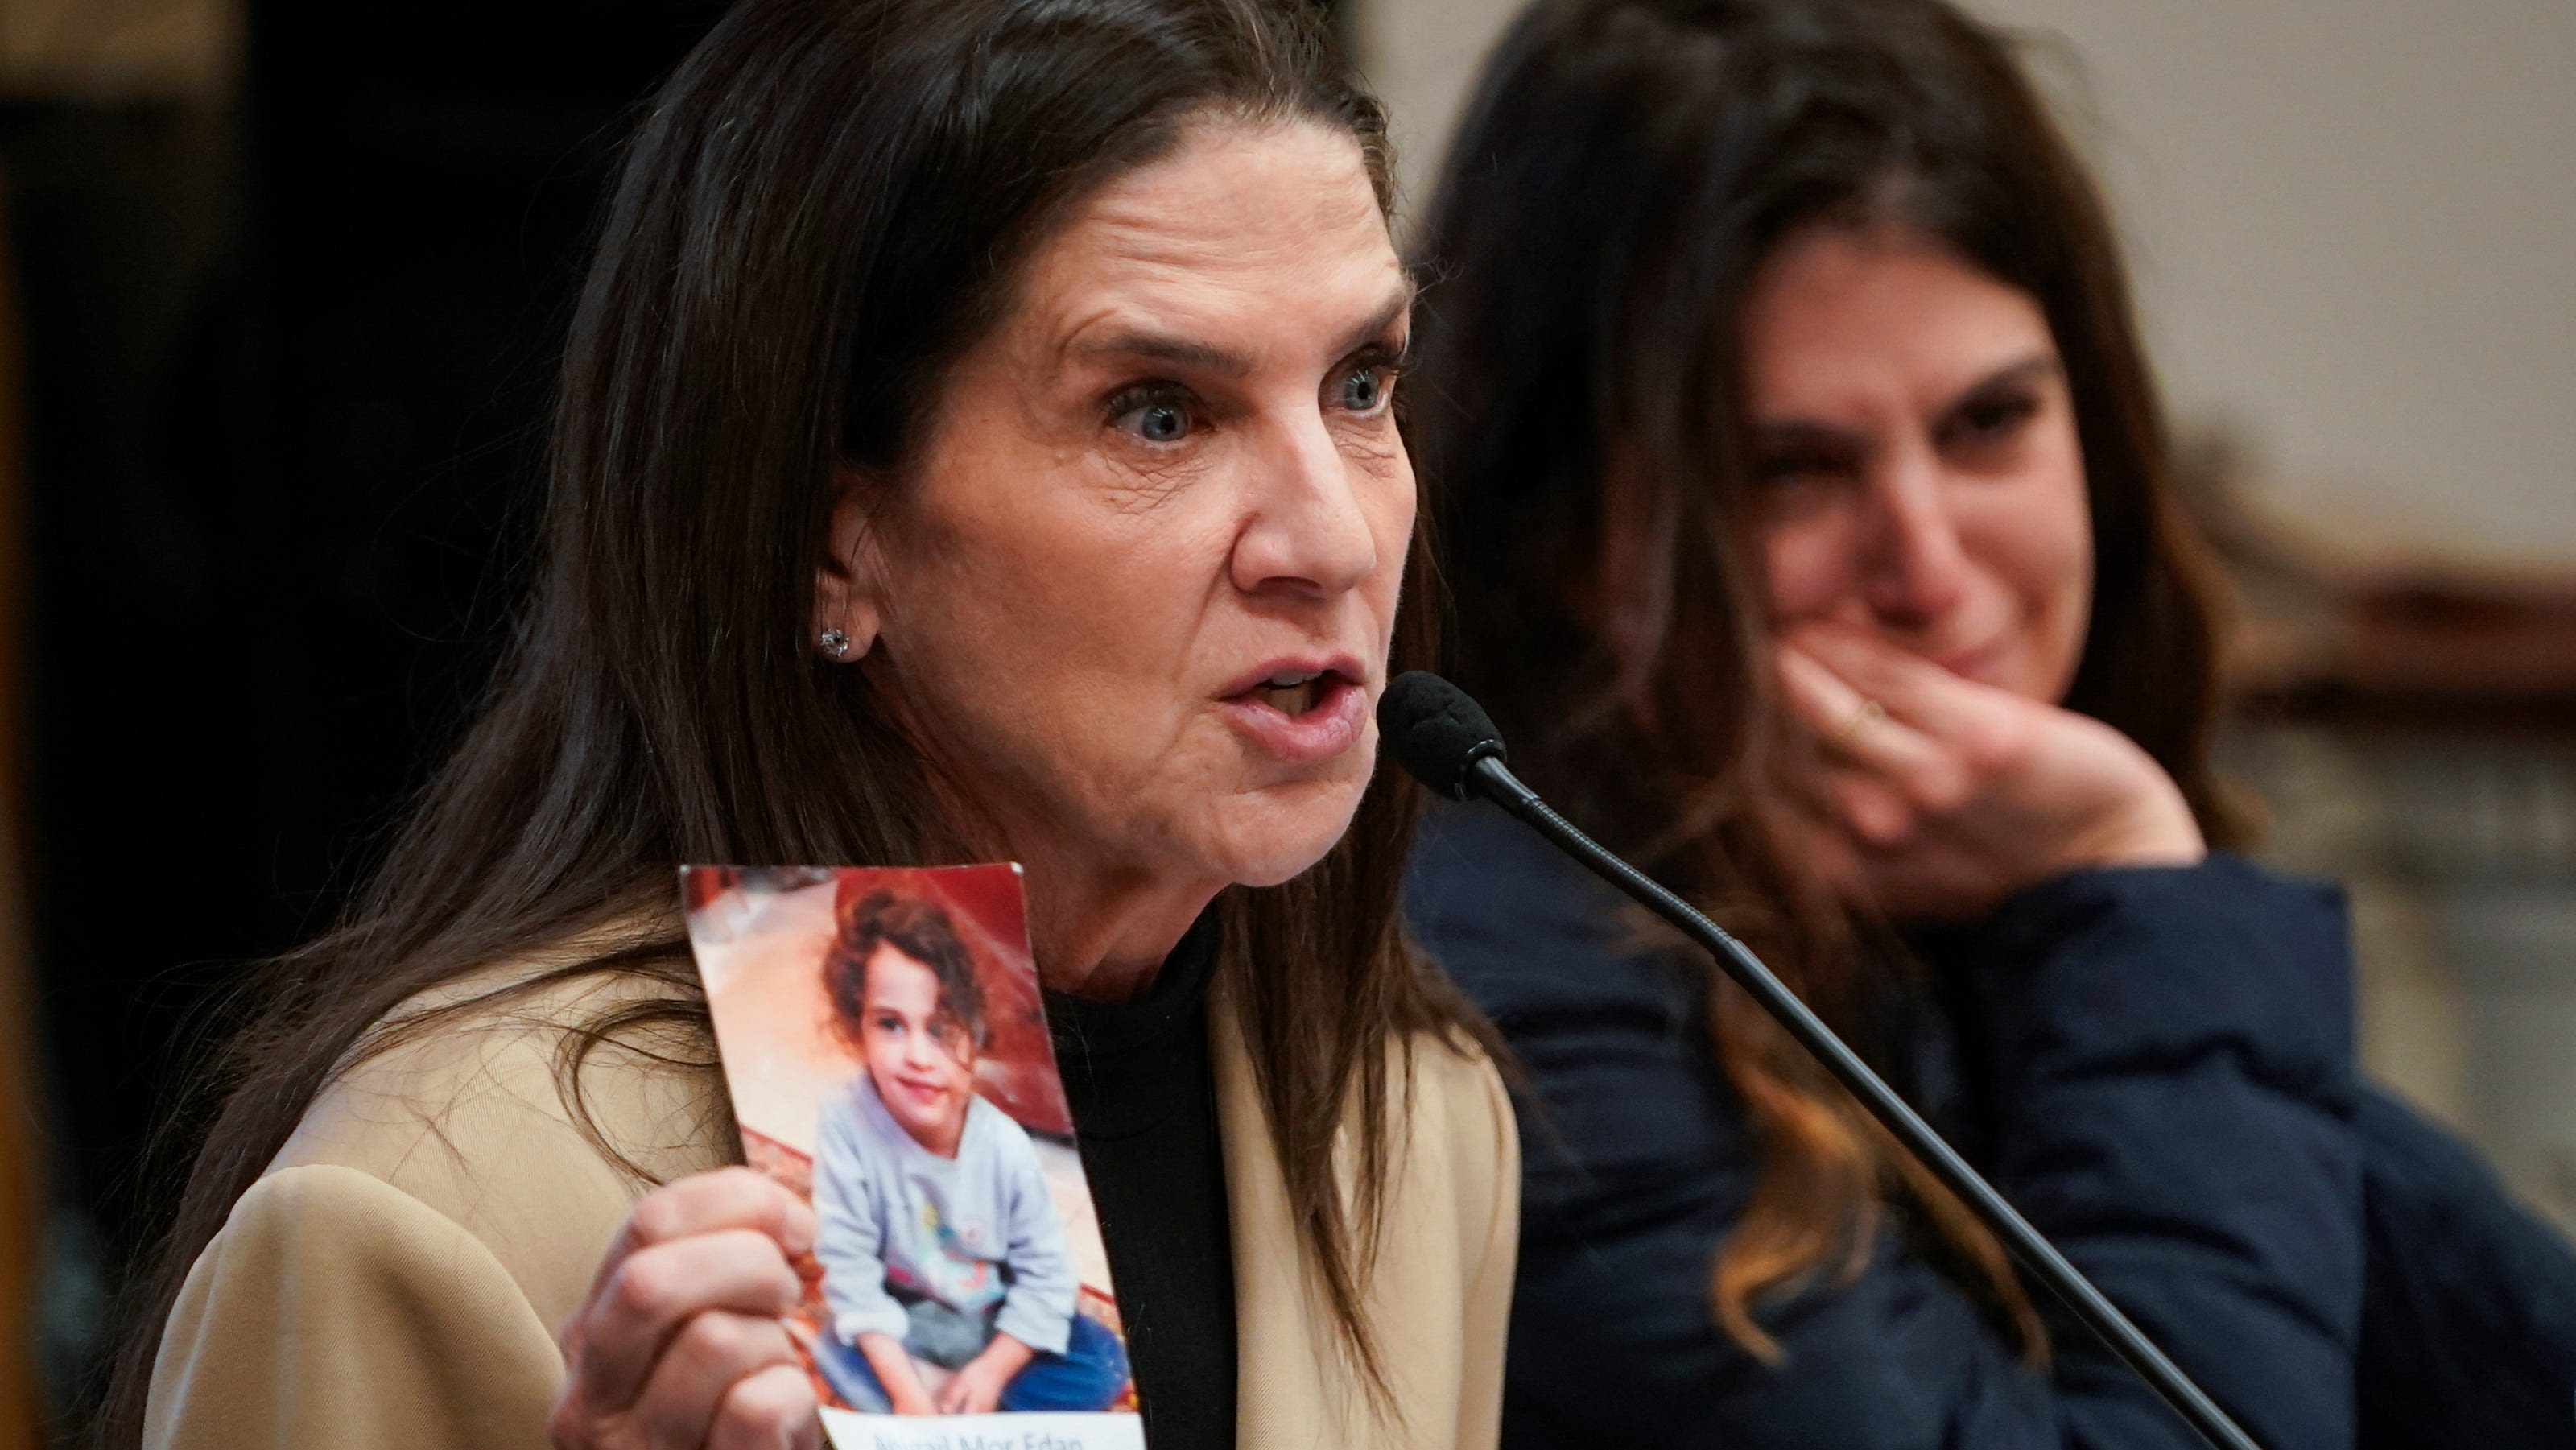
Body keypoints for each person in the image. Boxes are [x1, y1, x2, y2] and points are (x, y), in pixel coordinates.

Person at [112, 2, 1519, 1448]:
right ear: (834, 539)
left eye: (1361, 385)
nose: (1333, 538)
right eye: (1158, 414)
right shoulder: (436, 1213)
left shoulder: (1410, 1119)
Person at [1400, 1, 2576, 1447]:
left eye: (1990, 423)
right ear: (1570, 533)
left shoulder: (1957, 880)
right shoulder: (1518, 972)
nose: (1934, 570)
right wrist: (2132, 877)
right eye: (1794, 469)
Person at [808, 889, 1121, 1416]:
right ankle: (933, 1384)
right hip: (907, 1312)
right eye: (889, 1023)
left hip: (991, 1315)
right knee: (834, 1347)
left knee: (1103, 1360)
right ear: (855, 1024)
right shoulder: (844, 1123)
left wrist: (992, 1366)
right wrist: (907, 1390)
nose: (917, 1056)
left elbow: (1045, 1276)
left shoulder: (1002, 1144)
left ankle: (968, 1388)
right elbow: (853, 1272)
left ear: (974, 1034)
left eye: (940, 1028)